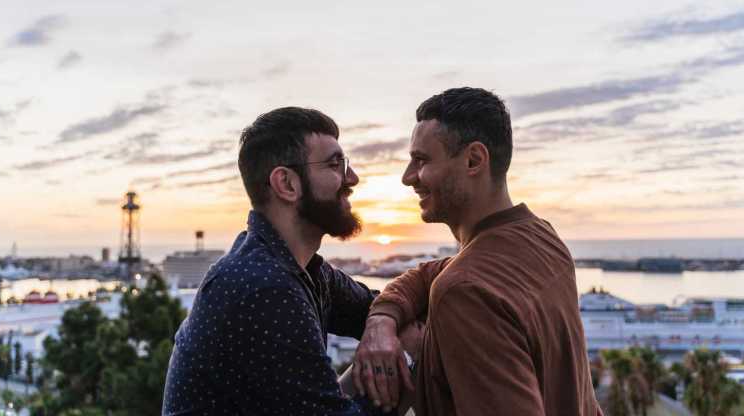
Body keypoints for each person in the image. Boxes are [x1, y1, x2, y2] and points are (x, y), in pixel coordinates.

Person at [352, 88, 603, 416]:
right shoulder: (541, 237)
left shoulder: (465, 290)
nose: (407, 177)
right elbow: (434, 273)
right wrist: (382, 318)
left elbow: (455, 280)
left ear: (473, 160)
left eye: (422, 160)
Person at [163, 107, 401, 415]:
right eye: (335, 164)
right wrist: (407, 355)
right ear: (287, 184)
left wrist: (386, 320)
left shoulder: (306, 271)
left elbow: (373, 305)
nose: (352, 178)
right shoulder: (261, 284)